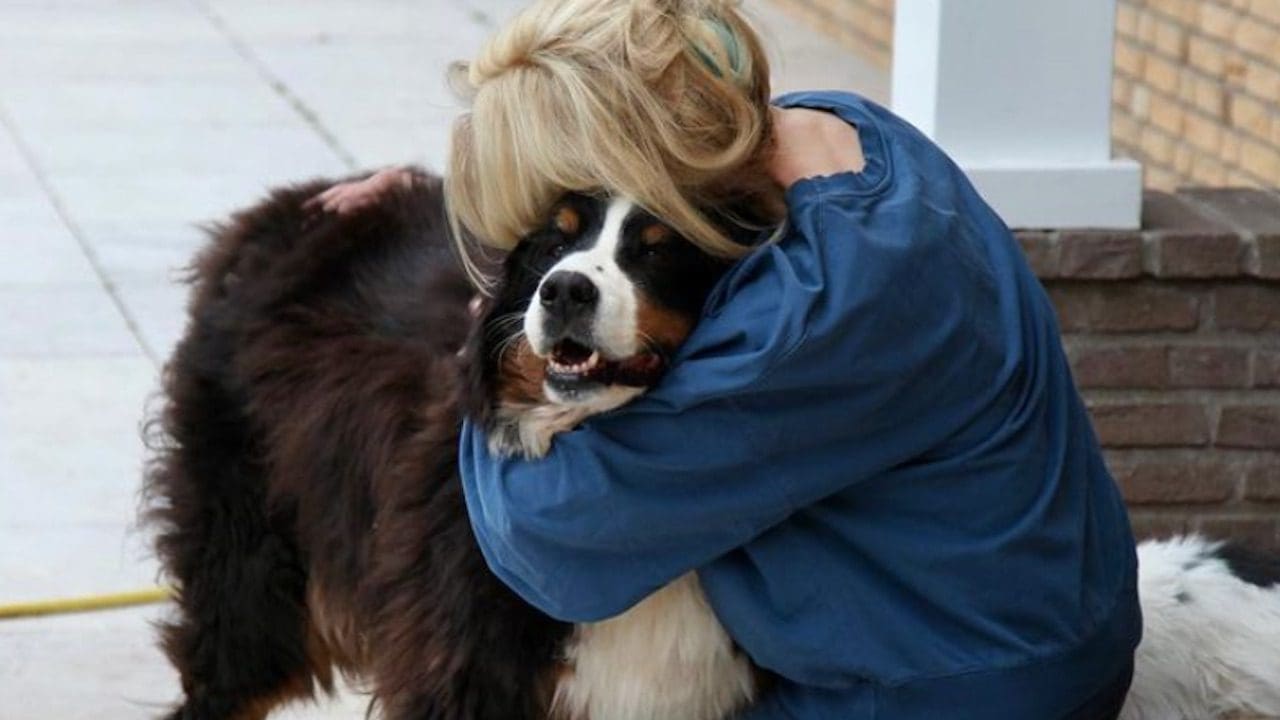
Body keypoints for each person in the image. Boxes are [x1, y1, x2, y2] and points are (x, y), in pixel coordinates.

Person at [319, 1, 1141, 717]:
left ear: (633, 148)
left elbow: (553, 544)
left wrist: (486, 348)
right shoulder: (836, 133)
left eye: (553, 179)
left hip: (945, 686)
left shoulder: (809, 322)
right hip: (1042, 622)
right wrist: (432, 213)